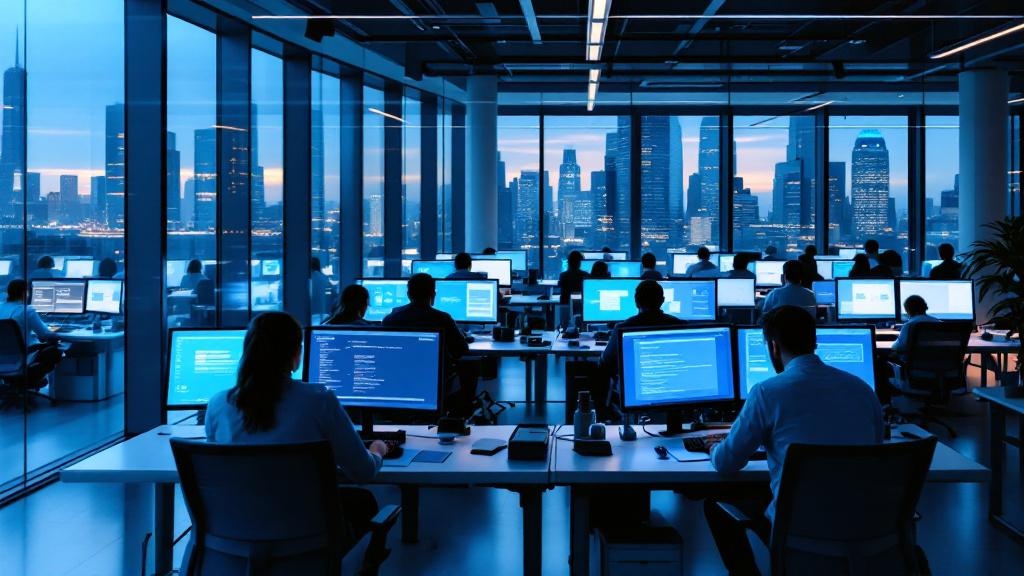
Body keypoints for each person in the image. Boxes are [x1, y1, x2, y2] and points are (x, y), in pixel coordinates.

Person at [701, 306, 884, 575]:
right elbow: (875, 450)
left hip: (799, 531)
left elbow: (727, 463)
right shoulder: (862, 389)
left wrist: (713, 446)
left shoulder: (767, 392)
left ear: (774, 347)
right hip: (863, 529)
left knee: (716, 505)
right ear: (814, 342)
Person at [204, 311, 387, 543]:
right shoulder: (319, 400)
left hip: (238, 533)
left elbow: (216, 469)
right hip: (306, 535)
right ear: (295, 353)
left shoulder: (218, 403)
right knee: (362, 501)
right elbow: (362, 472)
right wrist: (378, 450)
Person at [382, 274, 474, 414]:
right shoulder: (443, 319)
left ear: (408, 294)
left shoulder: (390, 320)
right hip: (436, 383)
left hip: (399, 382)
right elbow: (461, 351)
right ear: (433, 294)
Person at [0, 279, 62, 387]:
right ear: (25, 293)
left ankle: (15, 383)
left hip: (3, 358)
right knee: (55, 350)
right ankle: (28, 381)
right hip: (20, 357)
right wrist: (57, 333)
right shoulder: (27, 311)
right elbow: (45, 335)